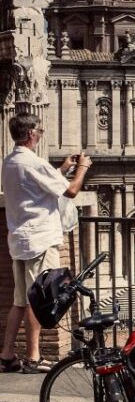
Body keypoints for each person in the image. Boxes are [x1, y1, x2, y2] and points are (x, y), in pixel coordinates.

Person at [1, 113, 91, 373]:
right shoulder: (34, 163)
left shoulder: (10, 161)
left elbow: (33, 183)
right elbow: (71, 191)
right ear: (31, 133)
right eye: (39, 131)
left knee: (20, 301)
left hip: (19, 239)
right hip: (39, 240)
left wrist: (60, 170)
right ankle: (33, 358)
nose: (40, 135)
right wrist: (83, 168)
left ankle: (7, 355)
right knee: (36, 300)